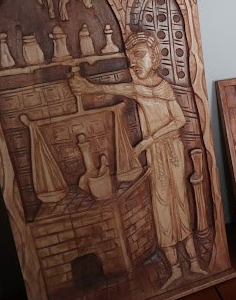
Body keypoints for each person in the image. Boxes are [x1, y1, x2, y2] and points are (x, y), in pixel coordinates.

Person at [69, 31, 206, 290]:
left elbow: (179, 120)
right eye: (130, 57)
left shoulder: (163, 87)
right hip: (156, 155)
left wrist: (147, 141)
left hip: (172, 151)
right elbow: (116, 88)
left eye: (139, 55)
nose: (134, 62)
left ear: (154, 57)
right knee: (161, 207)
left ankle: (195, 263)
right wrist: (90, 87)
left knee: (179, 203)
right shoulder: (137, 88)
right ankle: (175, 270)